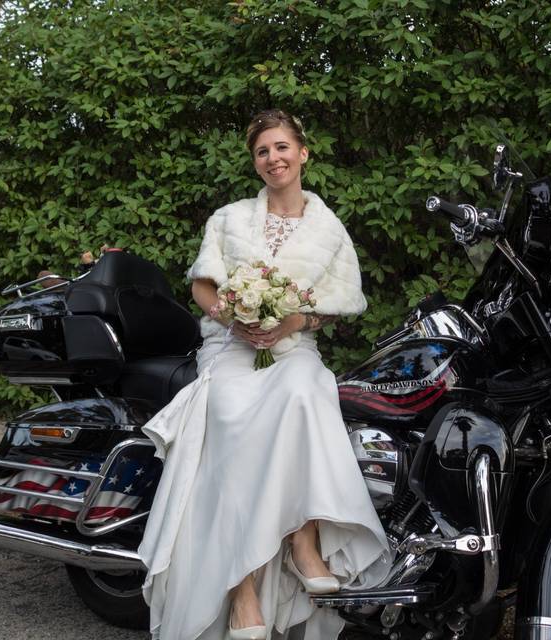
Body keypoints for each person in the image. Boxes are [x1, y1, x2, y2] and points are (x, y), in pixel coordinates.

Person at [137, 109, 391, 640]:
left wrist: (293, 319)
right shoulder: (228, 219)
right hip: (230, 347)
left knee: (307, 390)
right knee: (230, 419)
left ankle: (304, 539)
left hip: (293, 348)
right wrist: (238, 317)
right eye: (262, 151)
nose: (273, 158)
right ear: (254, 162)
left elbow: (340, 302)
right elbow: (203, 287)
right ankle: (242, 592)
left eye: (281, 147)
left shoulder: (329, 228)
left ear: (303, 154)